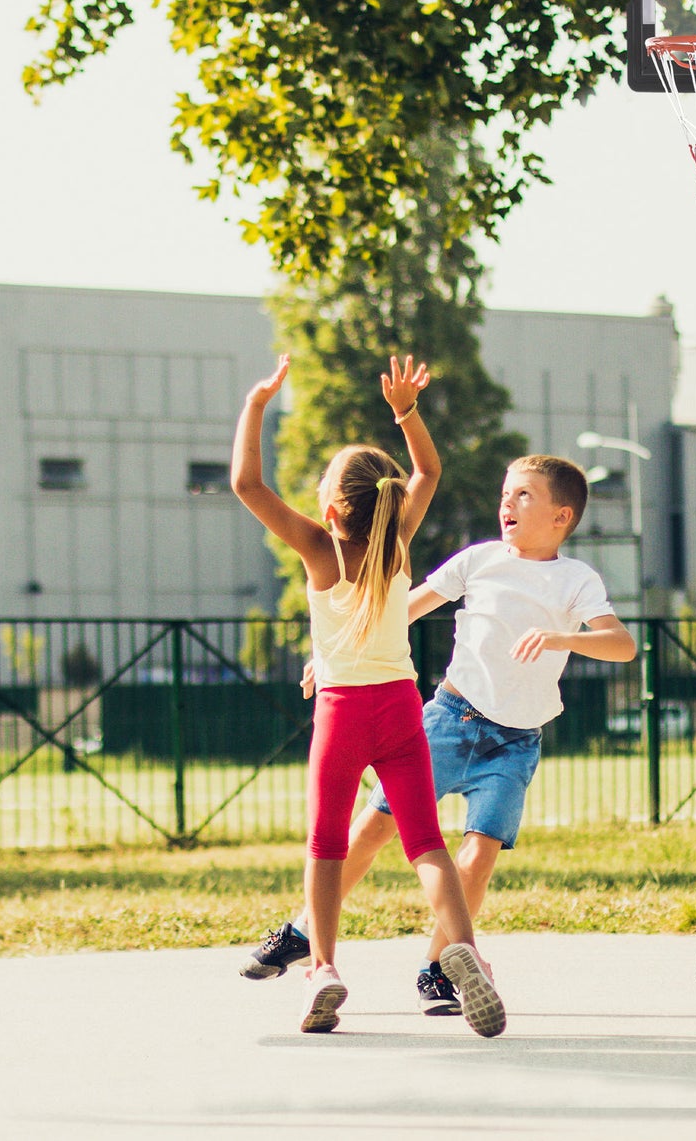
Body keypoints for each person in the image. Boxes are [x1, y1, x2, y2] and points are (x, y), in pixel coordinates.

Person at [241, 454, 635, 1015]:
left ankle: (439, 966)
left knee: (479, 852)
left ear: (562, 516)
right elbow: (398, 607)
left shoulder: (577, 580)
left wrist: (563, 638)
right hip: (451, 719)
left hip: (516, 741)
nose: (507, 503)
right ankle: (304, 929)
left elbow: (622, 645)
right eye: (505, 493)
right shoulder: (479, 560)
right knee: (376, 830)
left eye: (524, 495)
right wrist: (332, 652)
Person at [231, 353, 504, 1037]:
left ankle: (322, 967)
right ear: (384, 502)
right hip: (400, 709)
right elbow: (429, 472)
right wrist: (406, 410)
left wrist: (257, 403)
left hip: (343, 713)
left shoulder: (319, 548)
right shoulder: (397, 544)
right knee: (427, 845)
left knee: (326, 845)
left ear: (330, 508)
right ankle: (462, 949)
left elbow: (245, 482)